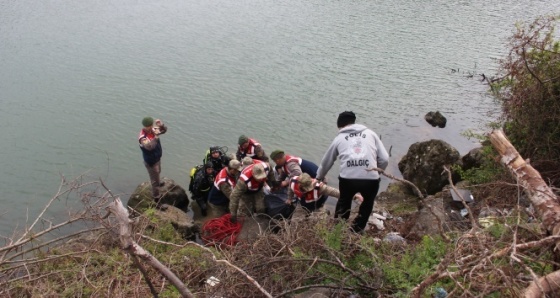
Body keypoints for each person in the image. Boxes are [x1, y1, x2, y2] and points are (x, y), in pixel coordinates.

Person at [316, 111, 389, 233]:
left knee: (344, 203)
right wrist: (376, 172)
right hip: (371, 178)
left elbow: (327, 161)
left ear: (340, 125)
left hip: (348, 180)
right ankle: (357, 230)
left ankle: (338, 231)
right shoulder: (371, 134)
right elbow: (385, 158)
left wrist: (319, 177)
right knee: (367, 204)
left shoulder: (339, 138)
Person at [138, 116, 167, 203]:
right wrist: (156, 137)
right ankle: (157, 199)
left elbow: (164, 130)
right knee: (155, 182)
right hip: (150, 161)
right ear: (144, 126)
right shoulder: (143, 137)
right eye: (148, 126)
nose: (150, 127)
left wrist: (161, 125)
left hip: (157, 157)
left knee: (158, 171)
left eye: (151, 125)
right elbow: (149, 147)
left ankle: (158, 180)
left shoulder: (153, 130)